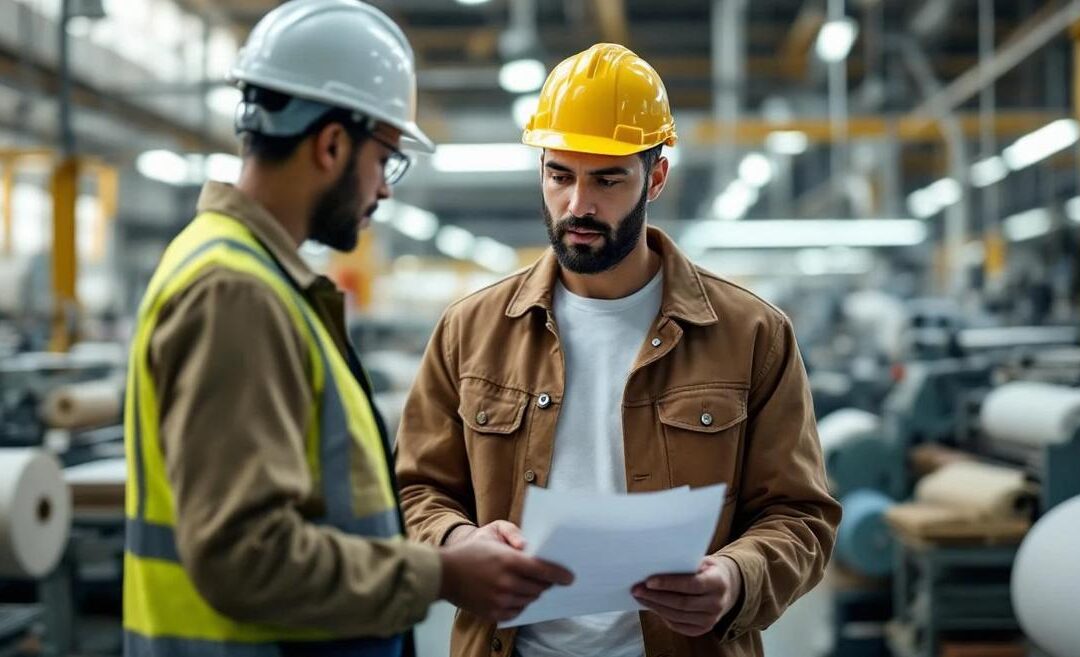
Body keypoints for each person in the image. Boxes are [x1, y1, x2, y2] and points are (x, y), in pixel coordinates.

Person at [121, 2, 570, 655]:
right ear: (332, 144)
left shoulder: (252, 276)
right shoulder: (236, 293)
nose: (384, 191)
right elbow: (244, 555)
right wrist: (440, 573)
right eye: (385, 158)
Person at [396, 43, 841, 657]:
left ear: (655, 177)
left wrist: (737, 577)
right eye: (560, 175)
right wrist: (452, 542)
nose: (579, 204)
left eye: (607, 178)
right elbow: (415, 489)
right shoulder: (469, 332)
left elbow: (802, 515)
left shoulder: (751, 335)